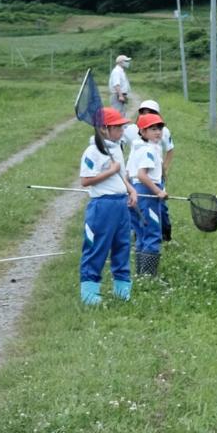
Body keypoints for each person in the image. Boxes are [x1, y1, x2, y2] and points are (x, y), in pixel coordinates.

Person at [77, 106, 136, 306]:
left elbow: (121, 175)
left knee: (122, 246)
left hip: (121, 206)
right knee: (97, 248)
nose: (122, 131)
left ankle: (122, 291)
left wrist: (131, 190)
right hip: (102, 206)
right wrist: (110, 171)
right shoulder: (92, 151)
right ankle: (89, 293)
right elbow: (85, 180)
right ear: (104, 129)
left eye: (122, 127)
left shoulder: (116, 147)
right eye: (117, 127)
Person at [126, 109, 168, 277]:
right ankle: (149, 277)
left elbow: (128, 174)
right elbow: (142, 175)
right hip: (147, 194)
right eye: (153, 129)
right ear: (142, 132)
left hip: (136, 193)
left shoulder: (136, 149)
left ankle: (141, 274)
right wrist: (159, 191)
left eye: (160, 128)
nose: (158, 132)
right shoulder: (149, 151)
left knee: (142, 234)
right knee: (152, 233)